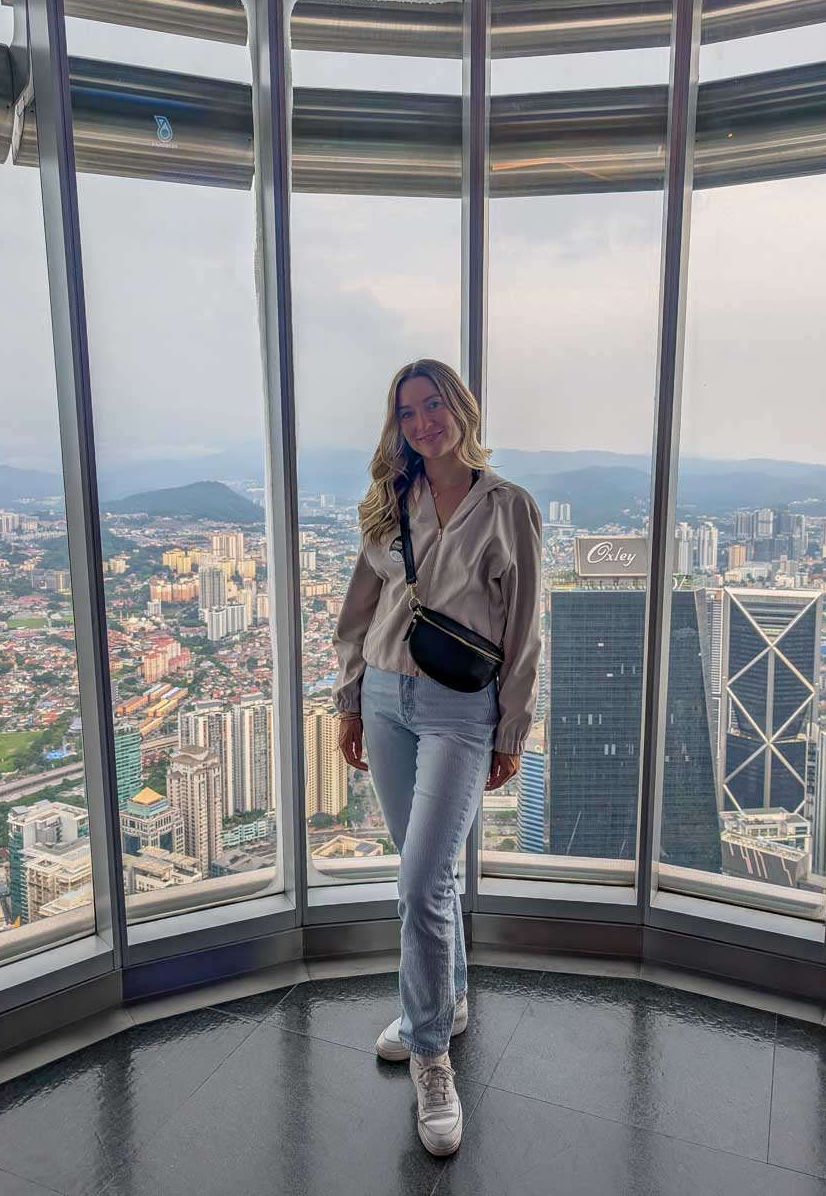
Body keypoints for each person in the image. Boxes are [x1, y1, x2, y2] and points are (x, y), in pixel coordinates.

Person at [332, 358, 543, 1156]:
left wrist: (511, 729)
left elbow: (523, 629)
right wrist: (350, 701)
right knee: (430, 877)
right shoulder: (392, 504)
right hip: (387, 698)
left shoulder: (507, 506)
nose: (423, 422)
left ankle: (430, 1055)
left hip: (462, 710)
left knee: (420, 880)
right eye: (407, 412)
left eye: (433, 406)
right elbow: (359, 612)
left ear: (461, 409)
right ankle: (447, 999)